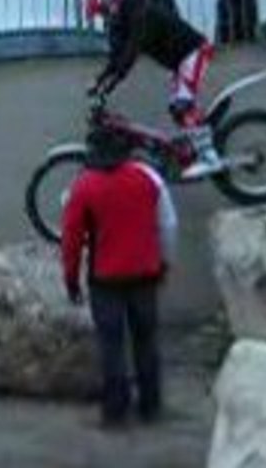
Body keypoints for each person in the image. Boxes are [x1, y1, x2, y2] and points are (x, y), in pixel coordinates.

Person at [61, 127, 178, 427]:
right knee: (146, 340)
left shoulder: (84, 187)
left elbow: (72, 240)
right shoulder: (147, 178)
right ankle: (151, 406)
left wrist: (71, 280)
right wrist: (164, 262)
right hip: (145, 272)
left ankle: (115, 411)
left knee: (112, 344)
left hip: (105, 277)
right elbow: (167, 224)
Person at [85, 0, 219, 179]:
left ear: (112, 2)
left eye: (104, 12)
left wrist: (110, 84)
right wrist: (99, 81)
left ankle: (209, 157)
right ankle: (196, 144)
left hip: (193, 52)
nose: (105, 18)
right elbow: (117, 56)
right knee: (177, 108)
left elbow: (130, 55)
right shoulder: (126, 16)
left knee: (181, 106)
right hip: (180, 59)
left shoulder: (141, 15)